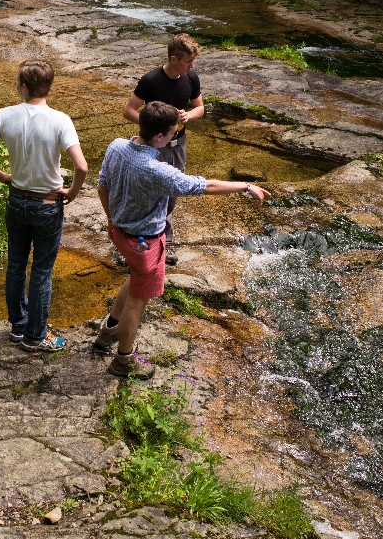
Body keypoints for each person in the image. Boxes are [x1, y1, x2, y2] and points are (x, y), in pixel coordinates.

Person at [95, 101, 269, 379]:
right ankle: (123, 361)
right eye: (173, 133)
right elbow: (204, 185)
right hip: (145, 244)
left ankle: (108, 332)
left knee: (134, 278)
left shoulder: (116, 146)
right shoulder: (156, 170)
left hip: (120, 233)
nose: (175, 136)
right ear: (161, 136)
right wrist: (245, 185)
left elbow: (102, 185)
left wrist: (111, 218)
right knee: (137, 303)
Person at [0, 60, 88, 353]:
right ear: (49, 86)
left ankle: (18, 328)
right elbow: (81, 166)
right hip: (47, 204)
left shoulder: (5, 115)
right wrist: (71, 191)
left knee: (17, 265)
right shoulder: (61, 120)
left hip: (17, 199)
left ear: (23, 86)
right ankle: (36, 336)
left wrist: (2, 176)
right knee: (42, 271)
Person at [123, 33, 204, 250]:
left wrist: (189, 115)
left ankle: (163, 242)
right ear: (174, 59)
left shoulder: (191, 78)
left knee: (172, 193)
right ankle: (143, 239)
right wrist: (153, 125)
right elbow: (129, 110)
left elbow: (200, 107)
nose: (192, 65)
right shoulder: (151, 80)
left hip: (178, 145)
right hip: (154, 147)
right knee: (150, 193)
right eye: (188, 61)